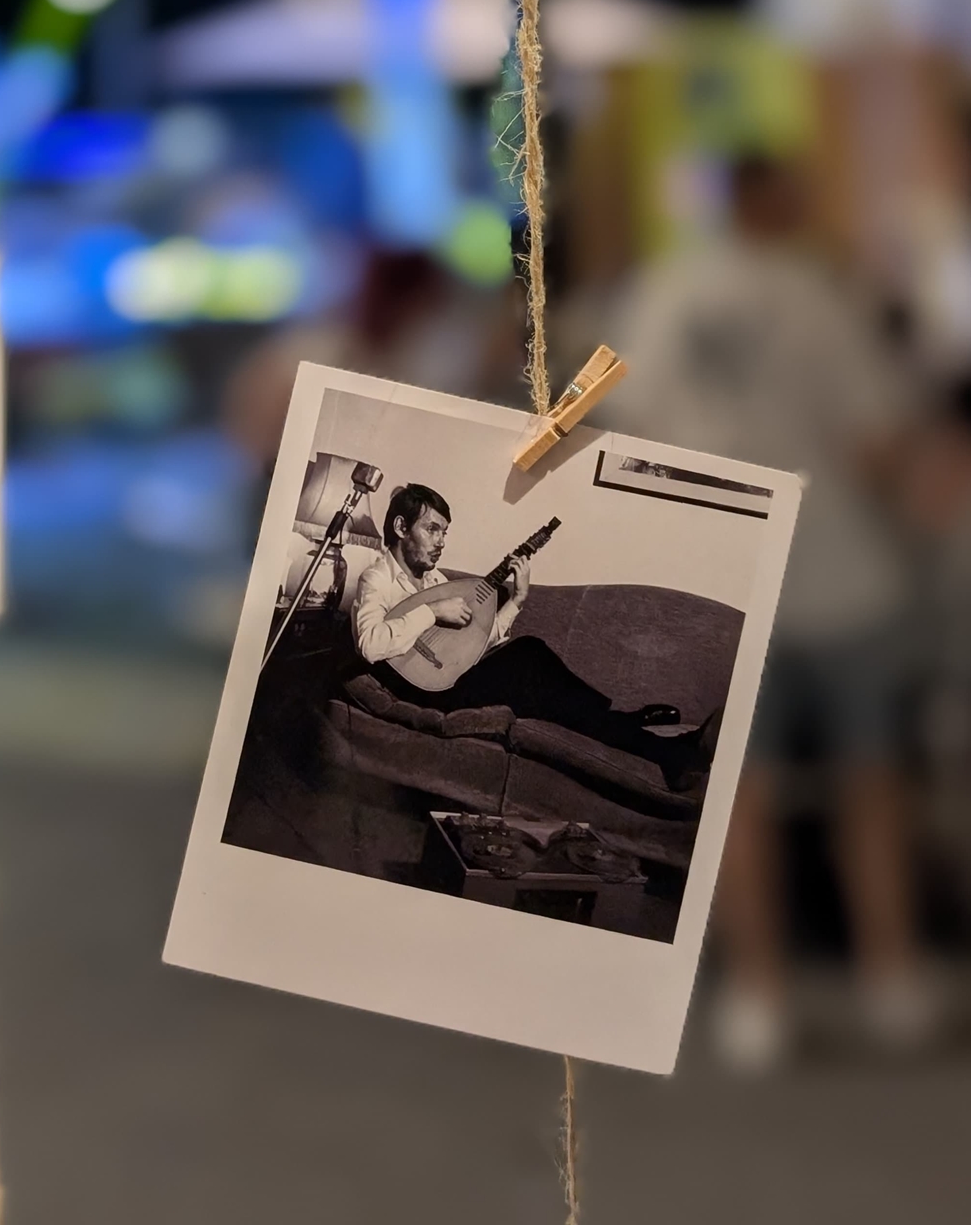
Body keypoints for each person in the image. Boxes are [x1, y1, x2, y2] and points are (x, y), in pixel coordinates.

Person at [607, 154, 938, 1069]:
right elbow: (878, 439)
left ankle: (759, 994)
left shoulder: (663, 292)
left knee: (738, 799)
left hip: (720, 569)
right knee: (869, 783)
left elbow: (632, 426)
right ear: (775, 200)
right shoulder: (821, 295)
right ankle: (890, 975)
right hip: (841, 573)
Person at [352, 482, 710, 793]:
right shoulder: (377, 579)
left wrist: (517, 600)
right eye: (432, 530)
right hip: (422, 691)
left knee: (536, 666)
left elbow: (468, 648)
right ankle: (641, 732)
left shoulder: (436, 582)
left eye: (445, 533)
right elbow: (369, 644)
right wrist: (432, 611)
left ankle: (658, 746)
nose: (441, 542)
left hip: (448, 680)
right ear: (401, 527)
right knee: (529, 658)